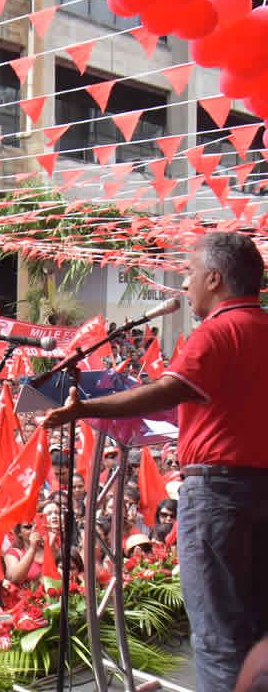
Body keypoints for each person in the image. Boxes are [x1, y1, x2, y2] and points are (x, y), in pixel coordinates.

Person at [44, 231, 268, 692]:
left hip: (220, 497)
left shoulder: (219, 331)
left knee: (220, 636)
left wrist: (88, 408)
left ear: (215, 277)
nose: (184, 287)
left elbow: (170, 391)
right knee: (256, 628)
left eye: (188, 275)